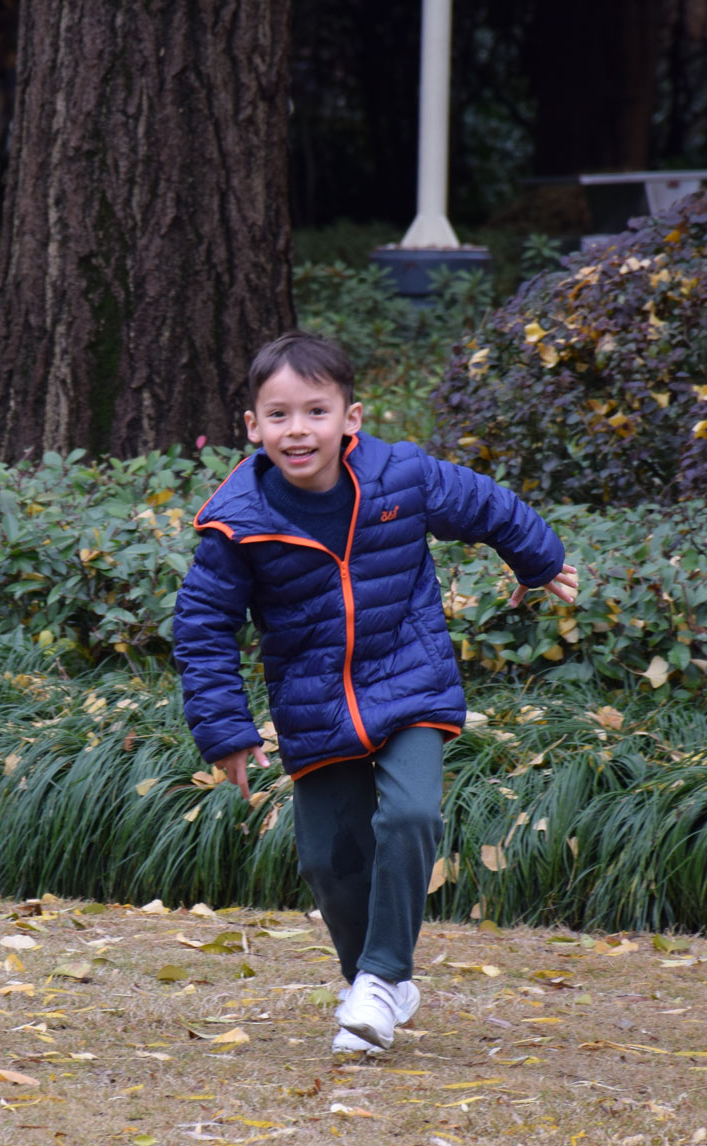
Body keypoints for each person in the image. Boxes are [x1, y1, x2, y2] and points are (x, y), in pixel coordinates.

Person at [173, 331, 577, 1054]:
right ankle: (372, 980)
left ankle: (383, 978)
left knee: (411, 814)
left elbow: (484, 504)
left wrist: (539, 560)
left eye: (316, 411)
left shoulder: (400, 477)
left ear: (350, 418)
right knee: (327, 859)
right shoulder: (237, 524)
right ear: (254, 427)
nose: (299, 431)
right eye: (279, 415)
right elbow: (203, 627)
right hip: (315, 706)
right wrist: (226, 730)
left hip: (410, 681)